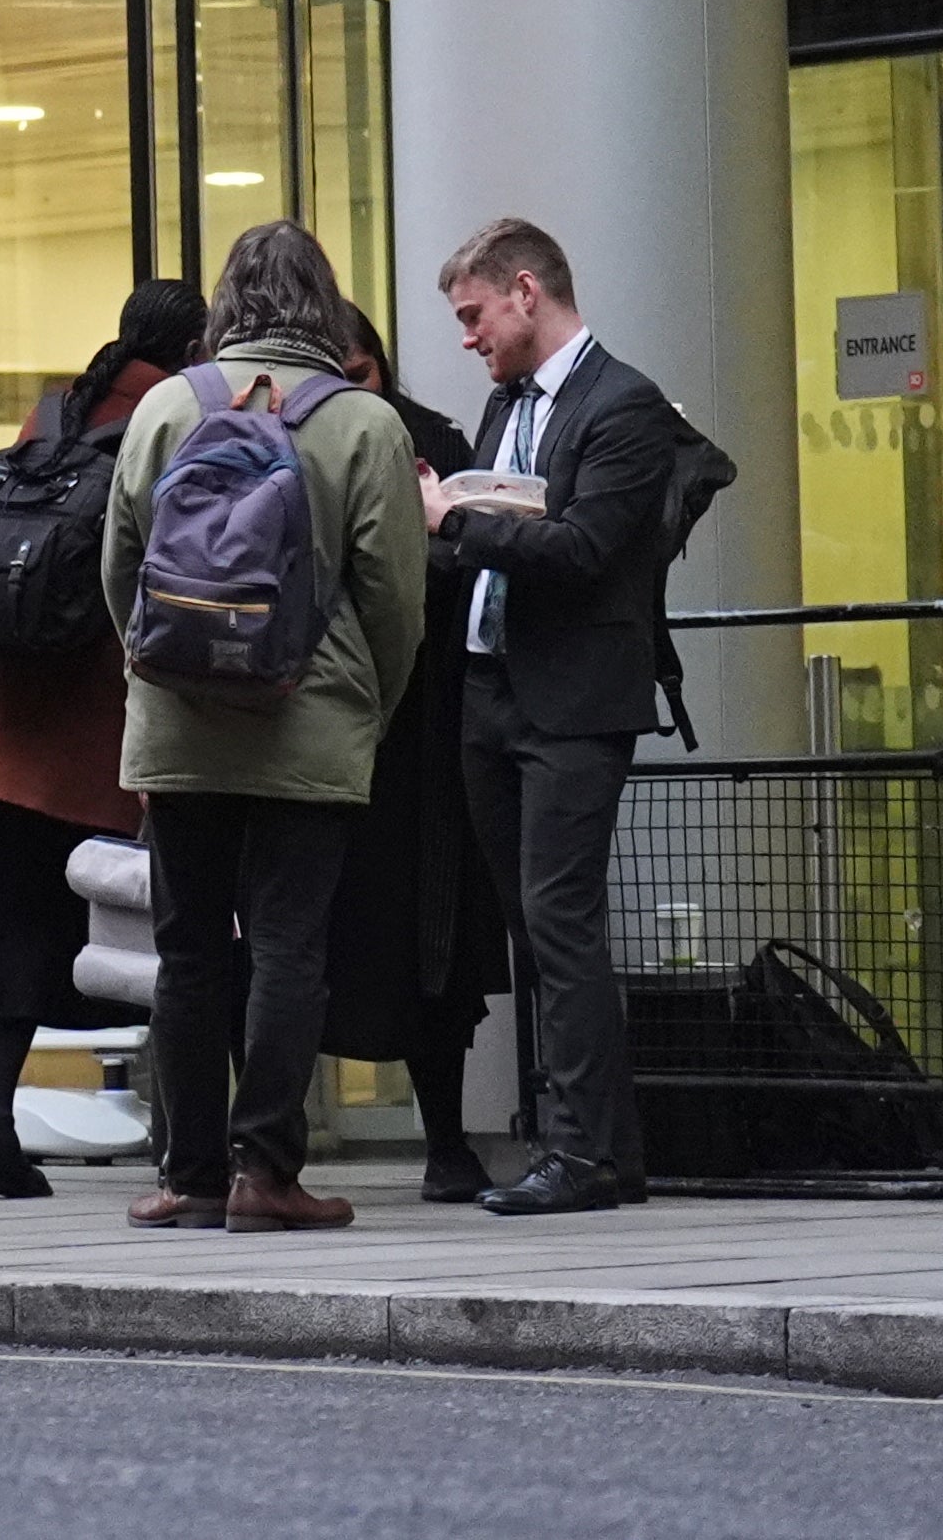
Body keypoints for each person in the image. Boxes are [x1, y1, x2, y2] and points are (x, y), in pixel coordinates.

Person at [101, 221, 424, 1232]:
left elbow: (119, 567)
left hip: (180, 726)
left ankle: (187, 1174)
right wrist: (366, 708)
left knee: (189, 952)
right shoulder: (364, 423)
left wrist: (157, 676)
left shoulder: (164, 406)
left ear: (225, 303)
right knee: (290, 950)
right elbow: (395, 600)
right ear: (326, 305)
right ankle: (266, 1173)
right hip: (311, 724)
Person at [438, 215, 723, 1216]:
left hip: (570, 702)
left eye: (475, 315)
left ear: (526, 290)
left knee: (560, 922)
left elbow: (585, 550)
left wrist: (457, 520)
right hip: (491, 687)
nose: (468, 337)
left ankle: (585, 1154)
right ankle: (602, 1148)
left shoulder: (623, 405)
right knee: (532, 926)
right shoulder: (505, 408)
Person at [0, 277, 196, 1200]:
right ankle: (187, 1136)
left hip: (0, 720)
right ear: (195, 349)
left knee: (14, 934)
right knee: (164, 928)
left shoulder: (53, 414)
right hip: (93, 725)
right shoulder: (170, 420)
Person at [328, 312, 516, 1203]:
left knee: (427, 946)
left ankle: (446, 1140)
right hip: (357, 729)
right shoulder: (396, 437)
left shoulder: (428, 441)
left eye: (363, 372)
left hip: (415, 735)